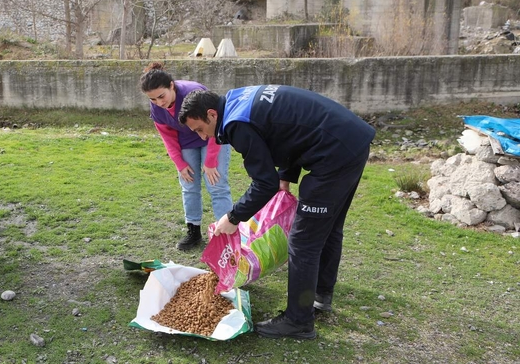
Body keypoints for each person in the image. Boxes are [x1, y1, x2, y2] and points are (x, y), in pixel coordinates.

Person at [178, 85, 375, 339]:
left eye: (200, 130)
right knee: (329, 227)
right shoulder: (237, 98)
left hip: (334, 155)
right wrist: (286, 175)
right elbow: (288, 130)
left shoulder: (237, 124)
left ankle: (298, 321)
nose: (204, 138)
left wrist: (233, 217)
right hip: (350, 140)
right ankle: (320, 295)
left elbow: (263, 184)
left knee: (303, 241)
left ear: (212, 114)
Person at [139, 62, 234, 250]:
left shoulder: (193, 92)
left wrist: (210, 161)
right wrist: (179, 163)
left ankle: (226, 234)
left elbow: (216, 121)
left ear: (172, 86)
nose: (159, 103)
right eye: (153, 99)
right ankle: (193, 231)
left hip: (212, 137)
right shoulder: (157, 107)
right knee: (189, 184)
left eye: (161, 96)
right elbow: (167, 136)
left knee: (216, 185)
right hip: (186, 142)